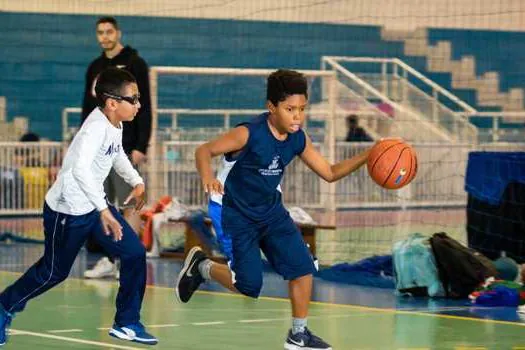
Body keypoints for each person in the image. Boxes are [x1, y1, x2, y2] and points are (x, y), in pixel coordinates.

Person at [175, 69, 379, 350]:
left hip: (271, 211)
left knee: (302, 267)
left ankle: (299, 334)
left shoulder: (298, 138)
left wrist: (370, 154)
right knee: (249, 285)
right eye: (290, 109)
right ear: (271, 108)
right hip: (234, 212)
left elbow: (329, 173)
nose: (298, 116)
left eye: (302, 109)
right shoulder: (248, 134)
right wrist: (207, 178)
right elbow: (203, 151)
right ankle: (203, 267)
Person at [0, 67, 157, 346]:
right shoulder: (94, 129)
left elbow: (116, 154)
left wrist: (137, 180)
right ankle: (4, 306)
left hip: (94, 207)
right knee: (53, 273)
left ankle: (126, 322)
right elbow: (79, 172)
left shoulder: (114, 124)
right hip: (67, 211)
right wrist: (105, 211)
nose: (139, 105)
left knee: (133, 253)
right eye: (133, 99)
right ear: (112, 103)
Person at [82, 16, 152, 279]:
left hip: (126, 147)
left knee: (129, 202)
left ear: (118, 33)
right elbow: (87, 108)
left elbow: (145, 108)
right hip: (99, 148)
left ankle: (129, 260)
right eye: (100, 32)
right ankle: (111, 258)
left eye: (109, 31)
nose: (104, 36)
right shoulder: (95, 67)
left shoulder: (135, 63)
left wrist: (141, 144)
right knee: (102, 203)